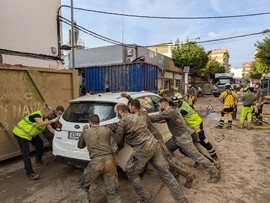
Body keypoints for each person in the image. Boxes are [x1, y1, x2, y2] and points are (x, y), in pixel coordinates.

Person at [113, 103, 188, 203]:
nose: (116, 114)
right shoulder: (137, 117)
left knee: (131, 173)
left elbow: (117, 141)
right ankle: (182, 199)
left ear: (120, 111)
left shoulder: (123, 122)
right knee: (165, 173)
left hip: (142, 150)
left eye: (116, 112)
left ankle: (146, 199)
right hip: (154, 145)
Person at [121, 93, 195, 188]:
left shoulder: (141, 117)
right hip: (150, 142)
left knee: (169, 159)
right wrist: (128, 97)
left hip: (155, 139)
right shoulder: (141, 110)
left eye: (129, 107)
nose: (128, 109)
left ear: (133, 107)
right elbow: (137, 103)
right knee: (164, 161)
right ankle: (174, 174)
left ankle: (189, 175)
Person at [149, 98, 220, 183]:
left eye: (159, 105)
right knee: (166, 151)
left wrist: (142, 113)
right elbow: (162, 119)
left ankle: (215, 173)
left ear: (162, 104)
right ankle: (176, 171)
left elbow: (155, 118)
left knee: (197, 156)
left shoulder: (170, 112)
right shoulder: (171, 111)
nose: (159, 107)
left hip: (183, 138)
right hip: (176, 138)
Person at [77, 114, 121, 203]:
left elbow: (80, 146)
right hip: (110, 161)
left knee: (83, 186)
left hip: (95, 162)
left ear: (89, 122)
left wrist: (83, 132)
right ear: (99, 121)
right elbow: (115, 149)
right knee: (112, 190)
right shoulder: (107, 130)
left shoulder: (86, 132)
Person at [12, 106, 59, 180]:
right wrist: (53, 120)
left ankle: (38, 160)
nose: (49, 116)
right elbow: (41, 124)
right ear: (46, 111)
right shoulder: (37, 115)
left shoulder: (45, 118)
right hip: (20, 134)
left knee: (39, 144)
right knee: (26, 153)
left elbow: (51, 129)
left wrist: (60, 134)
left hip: (30, 134)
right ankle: (30, 173)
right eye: (49, 114)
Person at [171, 95, 219, 161]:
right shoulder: (181, 105)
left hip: (196, 125)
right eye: (174, 103)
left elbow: (176, 113)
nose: (175, 104)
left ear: (180, 101)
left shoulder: (184, 108)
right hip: (191, 126)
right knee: (194, 143)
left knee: (202, 140)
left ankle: (213, 155)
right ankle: (199, 157)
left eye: (176, 102)